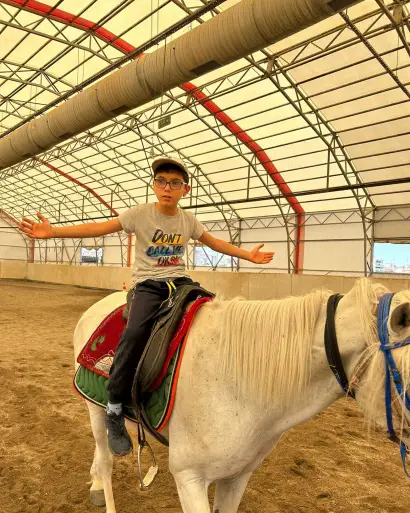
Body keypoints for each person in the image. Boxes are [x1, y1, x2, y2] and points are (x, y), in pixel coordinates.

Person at [19, 157, 274, 456]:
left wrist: (247, 255)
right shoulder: (140, 214)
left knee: (214, 315)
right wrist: (54, 233)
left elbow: (214, 242)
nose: (167, 187)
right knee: (134, 334)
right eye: (161, 181)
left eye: (175, 183)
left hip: (181, 282)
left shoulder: (188, 220)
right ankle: (114, 408)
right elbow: (100, 228)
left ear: (185, 190)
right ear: (154, 185)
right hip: (148, 286)